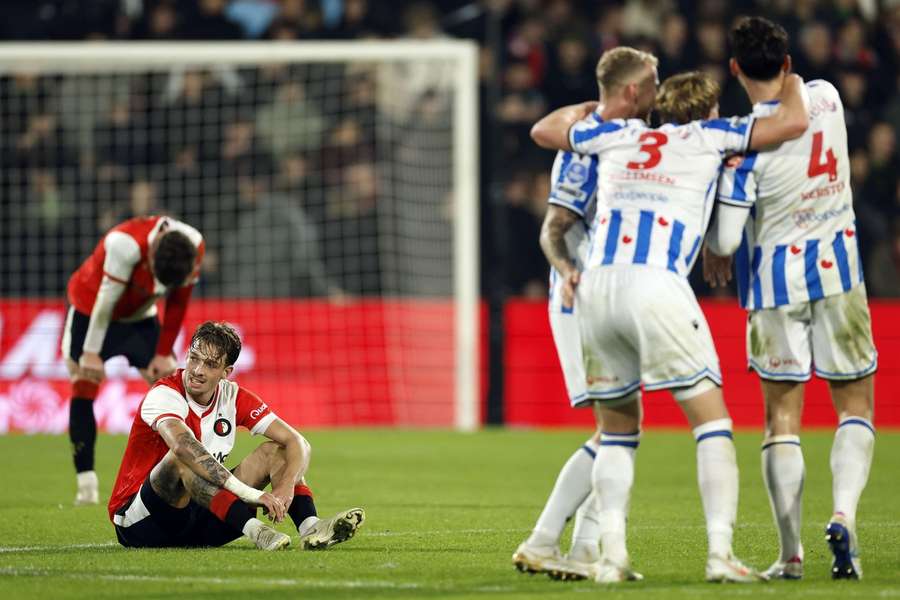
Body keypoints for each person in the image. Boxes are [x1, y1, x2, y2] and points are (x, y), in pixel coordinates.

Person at [529, 66, 809, 582]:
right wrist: (786, 79)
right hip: (655, 283)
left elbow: (545, 130)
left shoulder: (616, 134)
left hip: (595, 288)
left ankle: (608, 556)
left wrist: (589, 109)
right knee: (713, 423)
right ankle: (721, 554)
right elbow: (790, 125)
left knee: (615, 434)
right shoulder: (712, 135)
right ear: (706, 110)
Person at [703, 16, 878, 581]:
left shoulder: (743, 146)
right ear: (786, 63)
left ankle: (790, 554)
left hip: (776, 286)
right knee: (854, 406)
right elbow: (802, 91)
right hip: (840, 273)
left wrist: (718, 243)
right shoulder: (824, 97)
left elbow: (728, 240)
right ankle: (844, 513)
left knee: (782, 419)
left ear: (734, 69)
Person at [512, 46, 658, 582]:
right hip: (584, 295)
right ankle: (546, 540)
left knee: (621, 428)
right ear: (633, 91)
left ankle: (582, 551)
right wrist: (567, 270)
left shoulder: (614, 136)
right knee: (616, 431)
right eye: (653, 81)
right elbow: (554, 223)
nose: (659, 89)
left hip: (609, 295)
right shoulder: (585, 147)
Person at [108, 320, 365, 551]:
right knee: (182, 459)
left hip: (202, 517)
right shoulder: (164, 394)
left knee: (274, 452)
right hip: (143, 522)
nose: (197, 370)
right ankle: (256, 531)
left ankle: (311, 527)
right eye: (194, 358)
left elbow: (297, 442)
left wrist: (286, 487)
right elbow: (184, 448)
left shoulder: (233, 397)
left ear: (226, 372)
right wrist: (252, 495)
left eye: (210, 364)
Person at [65, 215, 204, 506]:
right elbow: (106, 300)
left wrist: (163, 351)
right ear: (151, 253)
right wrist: (91, 351)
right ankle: (86, 485)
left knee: (173, 386)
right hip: (91, 312)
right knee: (84, 383)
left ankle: (190, 474)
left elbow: (178, 303)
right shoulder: (124, 244)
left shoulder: (193, 247)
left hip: (140, 318)